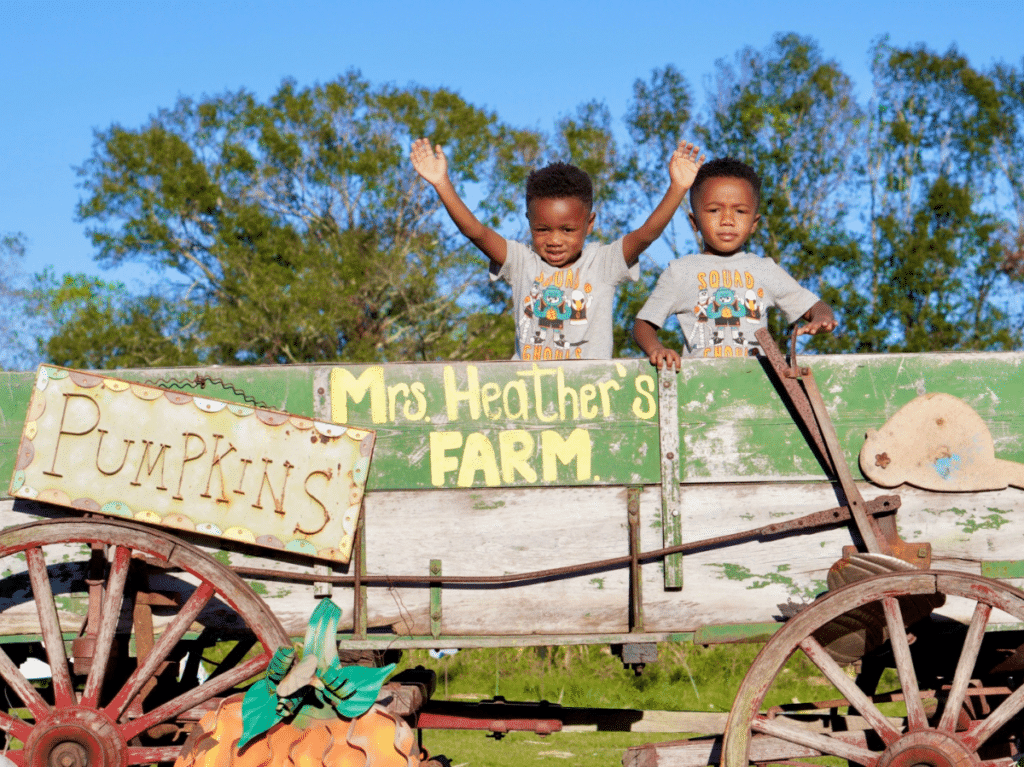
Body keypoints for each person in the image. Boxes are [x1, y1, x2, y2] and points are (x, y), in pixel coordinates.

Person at [411, 137, 704, 360]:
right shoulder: (521, 262)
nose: (554, 240)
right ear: (529, 222)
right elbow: (475, 231)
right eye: (542, 229)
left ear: (589, 224)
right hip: (529, 395)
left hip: (589, 395)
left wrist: (678, 188)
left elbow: (646, 235)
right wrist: (442, 183)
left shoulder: (603, 263)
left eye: (567, 230)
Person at [632, 157, 837, 368]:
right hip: (701, 384)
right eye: (714, 210)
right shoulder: (680, 272)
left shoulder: (764, 270)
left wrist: (822, 317)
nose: (727, 220)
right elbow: (643, 325)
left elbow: (814, 307)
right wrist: (657, 350)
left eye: (740, 211)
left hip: (759, 384)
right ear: (694, 222)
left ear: (753, 223)